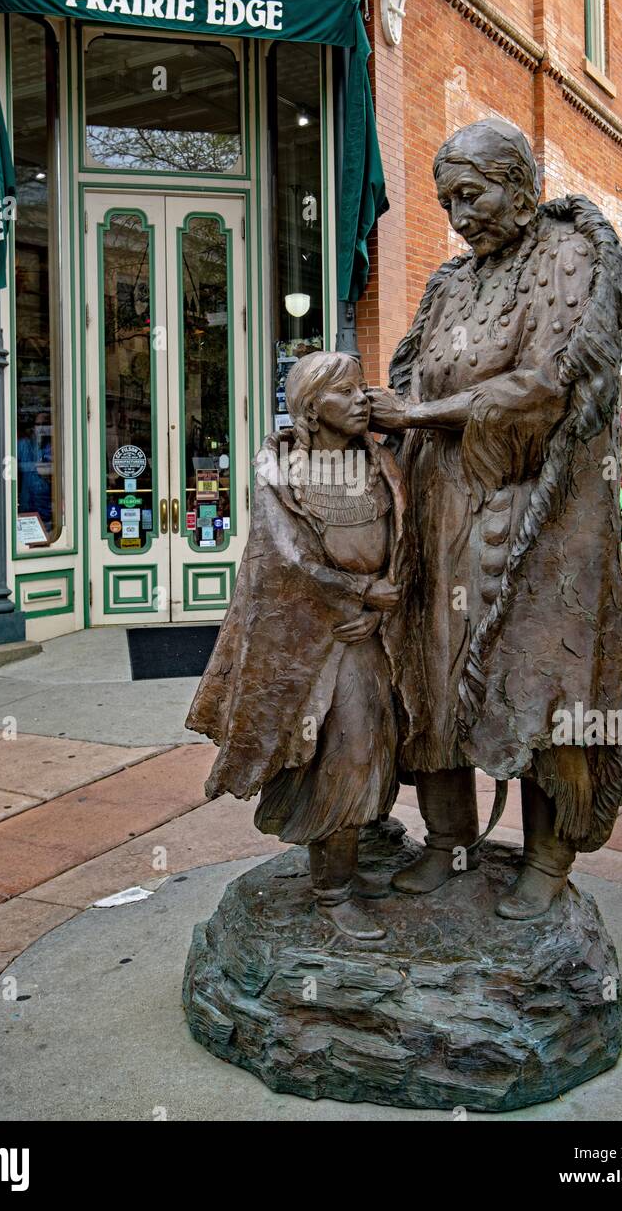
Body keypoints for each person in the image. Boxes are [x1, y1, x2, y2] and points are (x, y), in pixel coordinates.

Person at [367, 117, 622, 920]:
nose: (458, 215)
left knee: (544, 682)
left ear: (520, 186)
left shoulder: (568, 257)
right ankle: (449, 842)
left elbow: (548, 386)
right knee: (433, 672)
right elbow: (418, 378)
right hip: (446, 512)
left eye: (471, 194)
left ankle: (547, 861)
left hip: (542, 516)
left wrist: (420, 416)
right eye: (447, 198)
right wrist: (380, 413)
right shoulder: (452, 282)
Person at [187, 351, 417, 940]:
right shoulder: (281, 472)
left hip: (371, 637)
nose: (363, 399)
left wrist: (383, 604)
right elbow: (286, 560)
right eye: (346, 392)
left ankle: (353, 863)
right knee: (343, 755)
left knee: (380, 748)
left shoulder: (381, 463)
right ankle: (331, 893)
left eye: (364, 388)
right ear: (312, 408)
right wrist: (357, 592)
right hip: (316, 640)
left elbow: (409, 539)